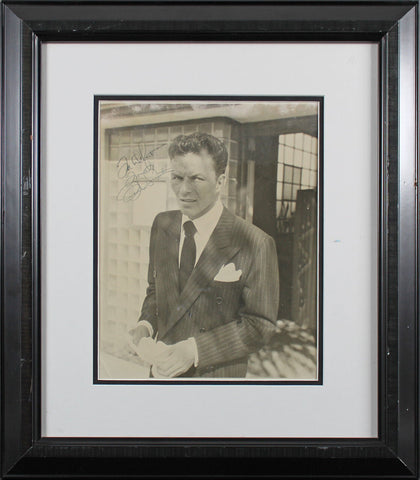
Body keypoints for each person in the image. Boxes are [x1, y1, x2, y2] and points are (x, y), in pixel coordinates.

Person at [128, 132, 279, 378]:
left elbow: (260, 325)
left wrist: (195, 350)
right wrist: (145, 325)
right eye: (177, 178)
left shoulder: (255, 242)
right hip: (162, 374)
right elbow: (156, 290)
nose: (184, 190)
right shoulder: (162, 225)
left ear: (220, 182)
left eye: (196, 179)